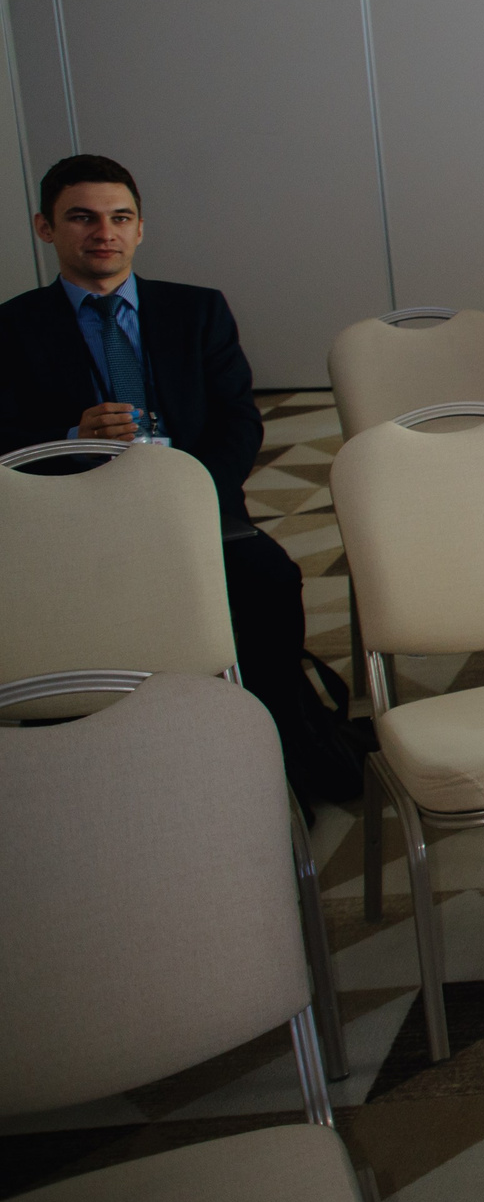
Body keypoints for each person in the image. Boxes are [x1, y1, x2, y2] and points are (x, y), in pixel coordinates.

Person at [0, 155, 359, 811]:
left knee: (270, 581)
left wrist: (189, 499)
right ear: (45, 229)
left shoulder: (195, 311)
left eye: (120, 218)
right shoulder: (13, 328)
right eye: (81, 218)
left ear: (140, 230)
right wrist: (72, 441)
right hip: (72, 523)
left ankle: (284, 749)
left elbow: (238, 421)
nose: (102, 233)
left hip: (199, 513)